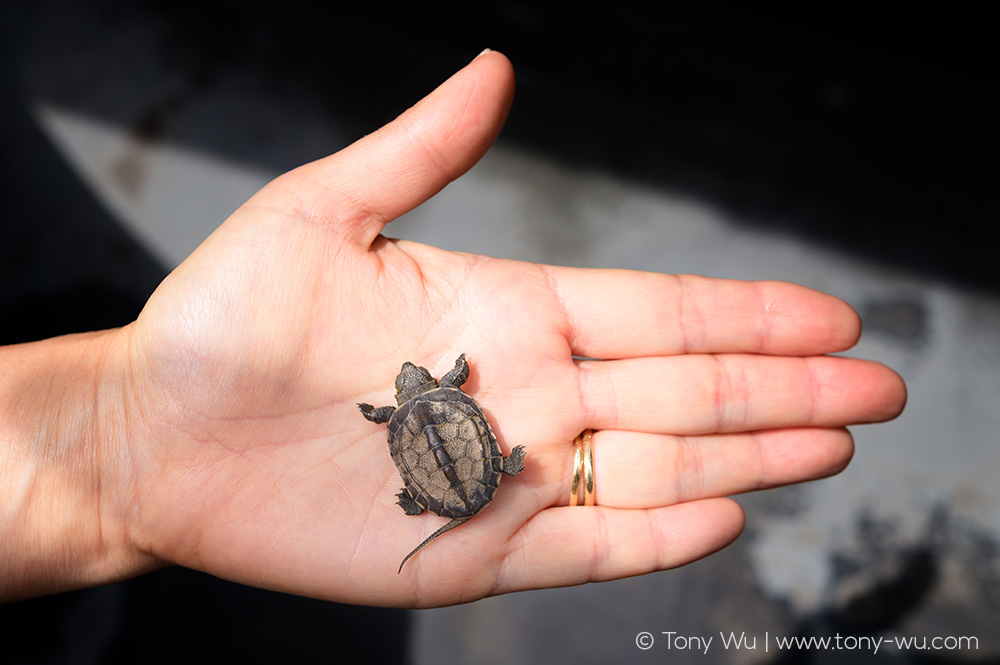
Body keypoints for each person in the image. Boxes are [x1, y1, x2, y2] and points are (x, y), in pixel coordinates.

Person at [0, 50, 905, 607]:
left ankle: (468, 494)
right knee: (485, 465)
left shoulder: (399, 415)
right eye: (419, 382)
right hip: (472, 482)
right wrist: (122, 443)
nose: (409, 389)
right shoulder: (433, 397)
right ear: (432, 383)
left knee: (452, 475)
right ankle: (492, 483)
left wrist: (120, 443)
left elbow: (408, 412)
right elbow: (442, 392)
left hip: (451, 492)